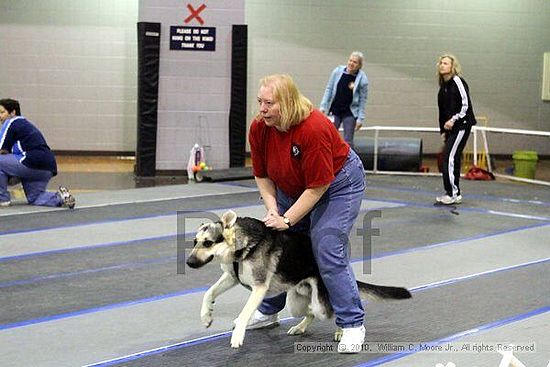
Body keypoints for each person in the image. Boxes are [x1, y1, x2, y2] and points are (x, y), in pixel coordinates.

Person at [248, 74, 367, 353]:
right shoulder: (259, 127)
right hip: (294, 185)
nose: (262, 109)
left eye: (269, 103)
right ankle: (268, 311)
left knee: (326, 247)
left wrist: (288, 219)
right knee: (280, 245)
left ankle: (352, 324)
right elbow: (262, 175)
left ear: (287, 103)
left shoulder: (312, 128)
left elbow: (318, 187)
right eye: (259, 102)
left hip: (338, 184)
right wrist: (273, 210)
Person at [0, 98, 75, 208]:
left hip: (31, 162)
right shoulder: (25, 126)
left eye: (2, 112)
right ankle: (60, 197)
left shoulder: (12, 122)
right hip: (46, 168)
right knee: (36, 197)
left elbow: (2, 149)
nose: (0, 116)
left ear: (13, 113)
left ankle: (3, 200)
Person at [436, 54, 477, 205]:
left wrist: (453, 120)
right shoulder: (443, 87)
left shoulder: (457, 82)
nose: (442, 65)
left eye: (445, 63)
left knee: (450, 157)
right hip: (451, 129)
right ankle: (455, 192)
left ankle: (452, 193)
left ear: (452, 67)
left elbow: (465, 105)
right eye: (441, 63)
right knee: (452, 157)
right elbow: (443, 111)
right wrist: (444, 130)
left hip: (461, 125)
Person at [320, 51, 368, 149]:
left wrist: (360, 118)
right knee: (329, 136)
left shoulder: (362, 79)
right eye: (350, 60)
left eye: (355, 62)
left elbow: (363, 100)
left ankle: (349, 163)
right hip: (334, 110)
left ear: (359, 65)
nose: (351, 63)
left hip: (349, 113)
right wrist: (323, 106)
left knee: (348, 141)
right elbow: (329, 89)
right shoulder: (337, 72)